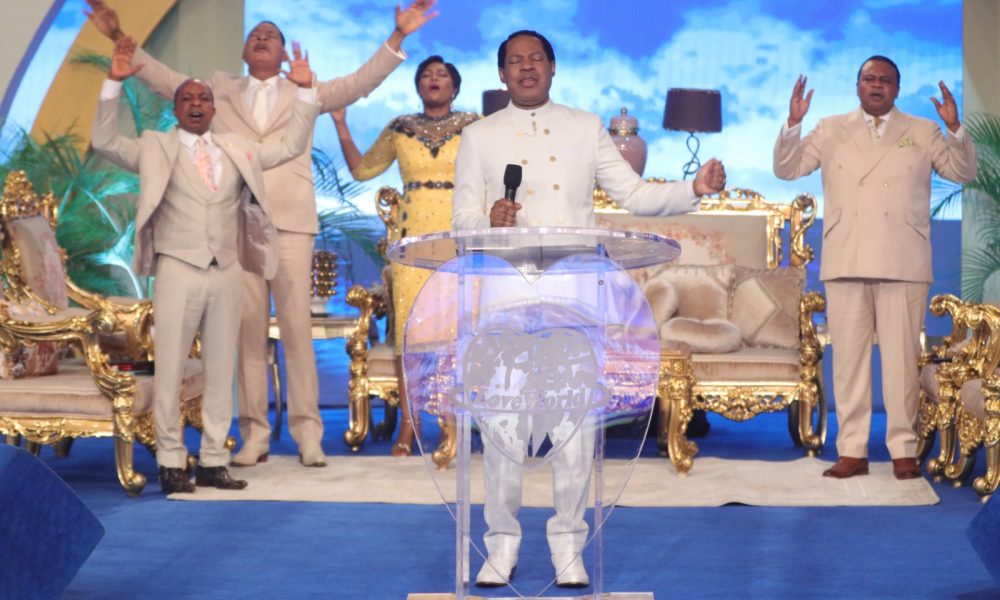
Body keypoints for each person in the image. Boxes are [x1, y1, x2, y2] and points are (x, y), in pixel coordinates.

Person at [85, 0, 439, 468]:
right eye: (256, 34)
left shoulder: (306, 89)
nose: (263, 38)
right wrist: (117, 37)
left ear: (283, 51)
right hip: (234, 224)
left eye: (272, 35)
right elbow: (162, 78)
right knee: (246, 334)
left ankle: (308, 434)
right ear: (244, 52)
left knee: (296, 330)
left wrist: (398, 37)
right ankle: (255, 434)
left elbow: (360, 82)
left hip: (291, 220)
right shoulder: (217, 90)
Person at [451, 30, 727, 588]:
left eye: (536, 58)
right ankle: (500, 546)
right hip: (506, 294)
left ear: (553, 68)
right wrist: (487, 222)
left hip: (572, 293)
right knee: (503, 429)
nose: (526, 67)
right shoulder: (478, 136)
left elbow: (634, 194)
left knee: (574, 428)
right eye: (514, 61)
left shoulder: (584, 126)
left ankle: (568, 547)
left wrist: (693, 187)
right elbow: (461, 225)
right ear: (501, 74)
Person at [91, 36, 319, 494]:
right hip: (178, 266)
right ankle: (171, 460)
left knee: (220, 368)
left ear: (214, 109)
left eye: (204, 98)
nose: (196, 104)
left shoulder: (238, 148)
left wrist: (307, 91)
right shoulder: (154, 147)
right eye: (187, 99)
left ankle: (214, 459)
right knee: (171, 368)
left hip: (228, 267)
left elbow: (292, 144)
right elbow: (104, 141)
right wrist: (113, 83)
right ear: (176, 109)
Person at [773, 56, 978, 480]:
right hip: (847, 256)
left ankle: (903, 449)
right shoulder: (830, 128)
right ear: (857, 85)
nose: (877, 85)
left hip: (903, 258)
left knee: (902, 361)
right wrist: (793, 123)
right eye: (869, 78)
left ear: (897, 89)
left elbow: (963, 172)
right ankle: (852, 451)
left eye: (885, 80)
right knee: (848, 361)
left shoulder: (923, 130)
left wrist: (955, 128)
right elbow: (787, 169)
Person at [331, 55, 478, 456]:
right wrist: (340, 123)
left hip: (457, 235)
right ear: (418, 85)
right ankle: (408, 430)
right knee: (409, 335)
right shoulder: (400, 127)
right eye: (427, 74)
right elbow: (363, 170)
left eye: (442, 74)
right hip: (411, 238)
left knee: (453, 333)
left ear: (455, 86)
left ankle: (450, 426)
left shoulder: (474, 126)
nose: (434, 79)